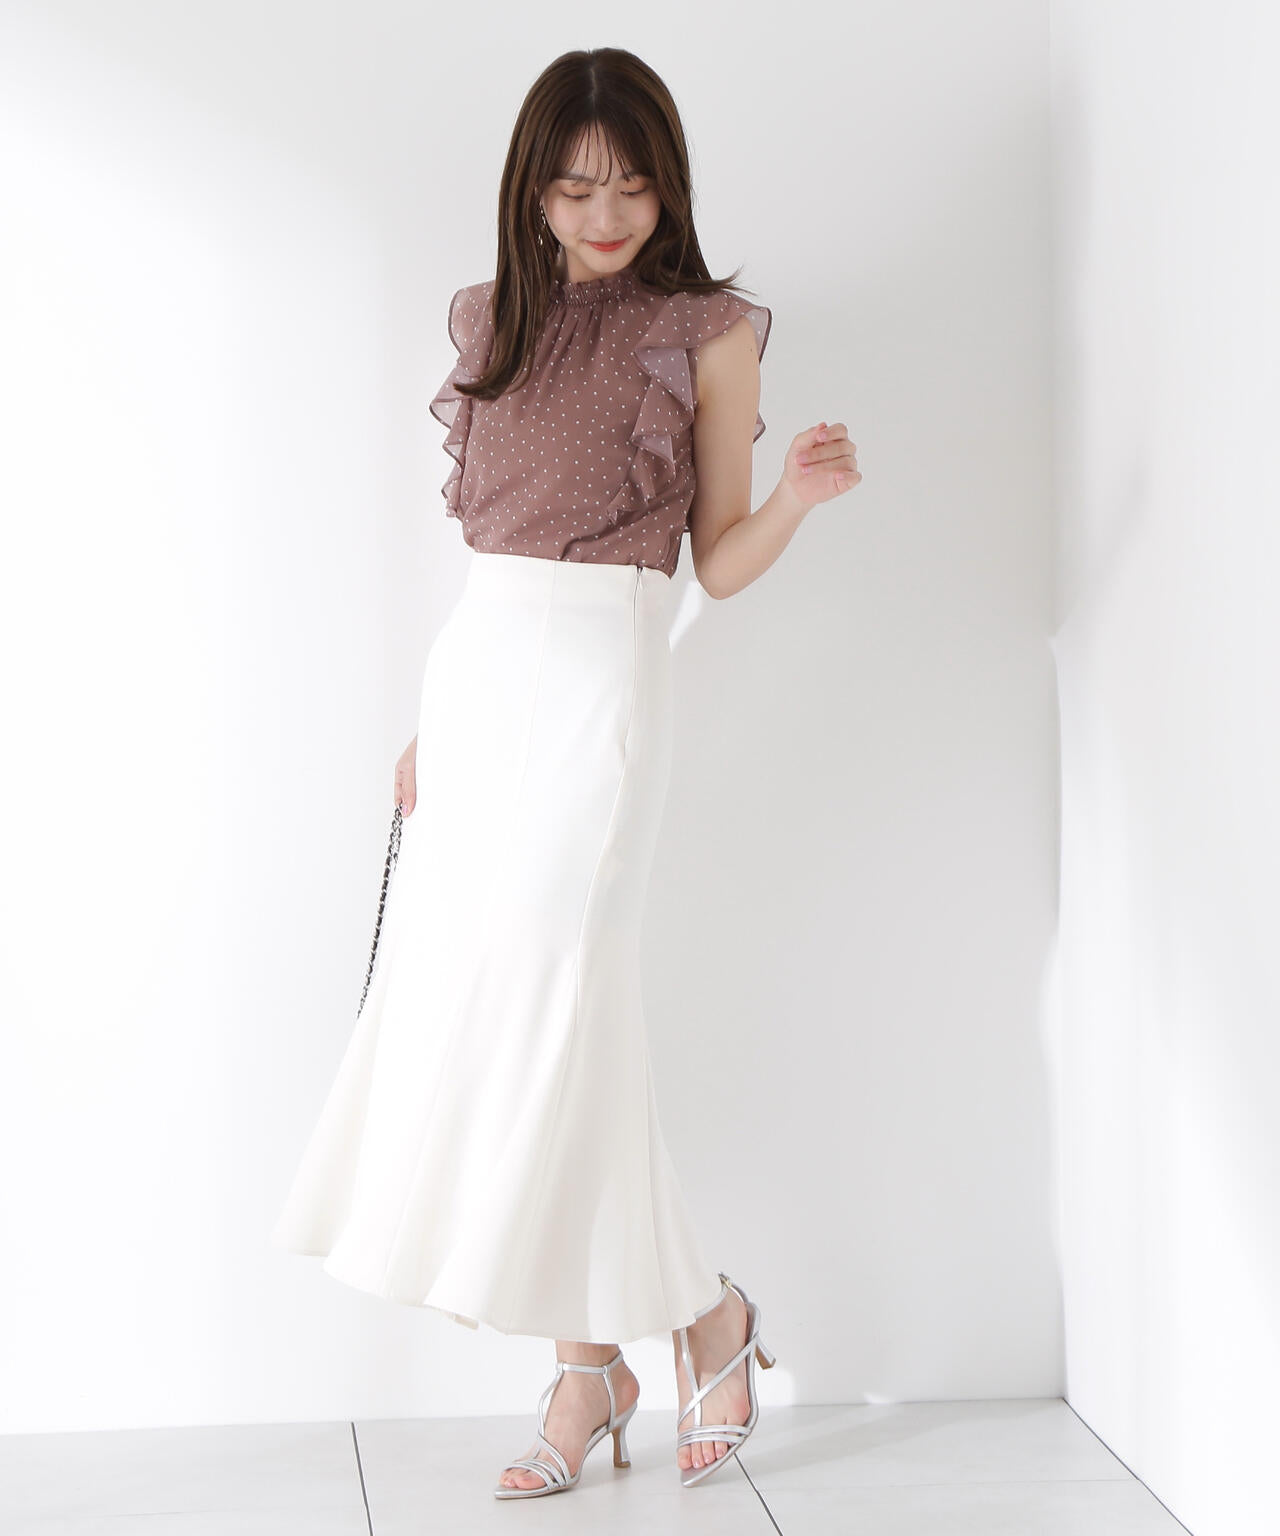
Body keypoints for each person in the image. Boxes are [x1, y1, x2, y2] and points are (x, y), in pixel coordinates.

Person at [271, 45, 860, 1501]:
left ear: (671, 188)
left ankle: (680, 1330)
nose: (606, 215)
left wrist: (793, 500)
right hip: (480, 687)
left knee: (563, 1019)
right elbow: (492, 560)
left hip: (605, 690)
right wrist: (438, 729)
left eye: (633, 184)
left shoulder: (706, 334)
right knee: (524, 1032)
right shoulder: (491, 318)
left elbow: (713, 560)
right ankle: (604, 1364)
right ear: (532, 190)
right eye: (577, 185)